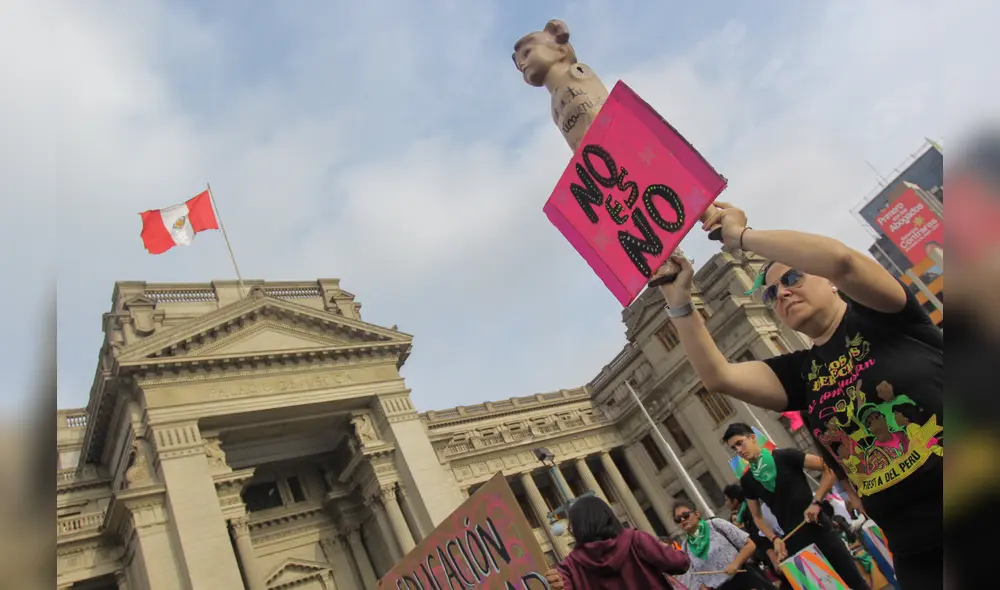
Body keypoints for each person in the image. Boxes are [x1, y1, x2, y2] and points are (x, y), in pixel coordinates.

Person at [650, 201, 943, 589]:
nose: (782, 293)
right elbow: (718, 375)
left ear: (828, 281)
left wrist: (740, 238)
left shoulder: (885, 316)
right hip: (917, 553)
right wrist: (677, 299)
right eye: (771, 293)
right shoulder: (802, 373)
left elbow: (843, 261)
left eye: (792, 279)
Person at [724, 423, 871, 589]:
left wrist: (816, 502)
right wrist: (774, 538)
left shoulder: (785, 456)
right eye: (733, 448)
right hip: (794, 541)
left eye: (740, 443)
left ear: (752, 437)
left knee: (856, 583)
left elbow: (828, 468)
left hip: (820, 528)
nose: (738, 450)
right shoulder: (747, 480)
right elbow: (757, 517)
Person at [542, 495, 690, 590]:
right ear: (608, 516)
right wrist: (666, 549)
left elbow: (561, 585)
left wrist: (555, 583)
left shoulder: (570, 566)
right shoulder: (636, 539)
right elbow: (680, 563)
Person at [671, 500, 774, 590]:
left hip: (744, 580)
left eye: (685, 515)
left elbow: (750, 545)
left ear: (697, 514)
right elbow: (696, 578)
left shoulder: (716, 525)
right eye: (677, 519)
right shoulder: (685, 548)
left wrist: (735, 564)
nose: (682, 520)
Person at [723, 484, 786, 587]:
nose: (725, 504)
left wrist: (773, 558)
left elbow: (762, 537)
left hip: (777, 556)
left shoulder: (751, 512)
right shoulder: (743, 514)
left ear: (734, 501)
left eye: (726, 500)